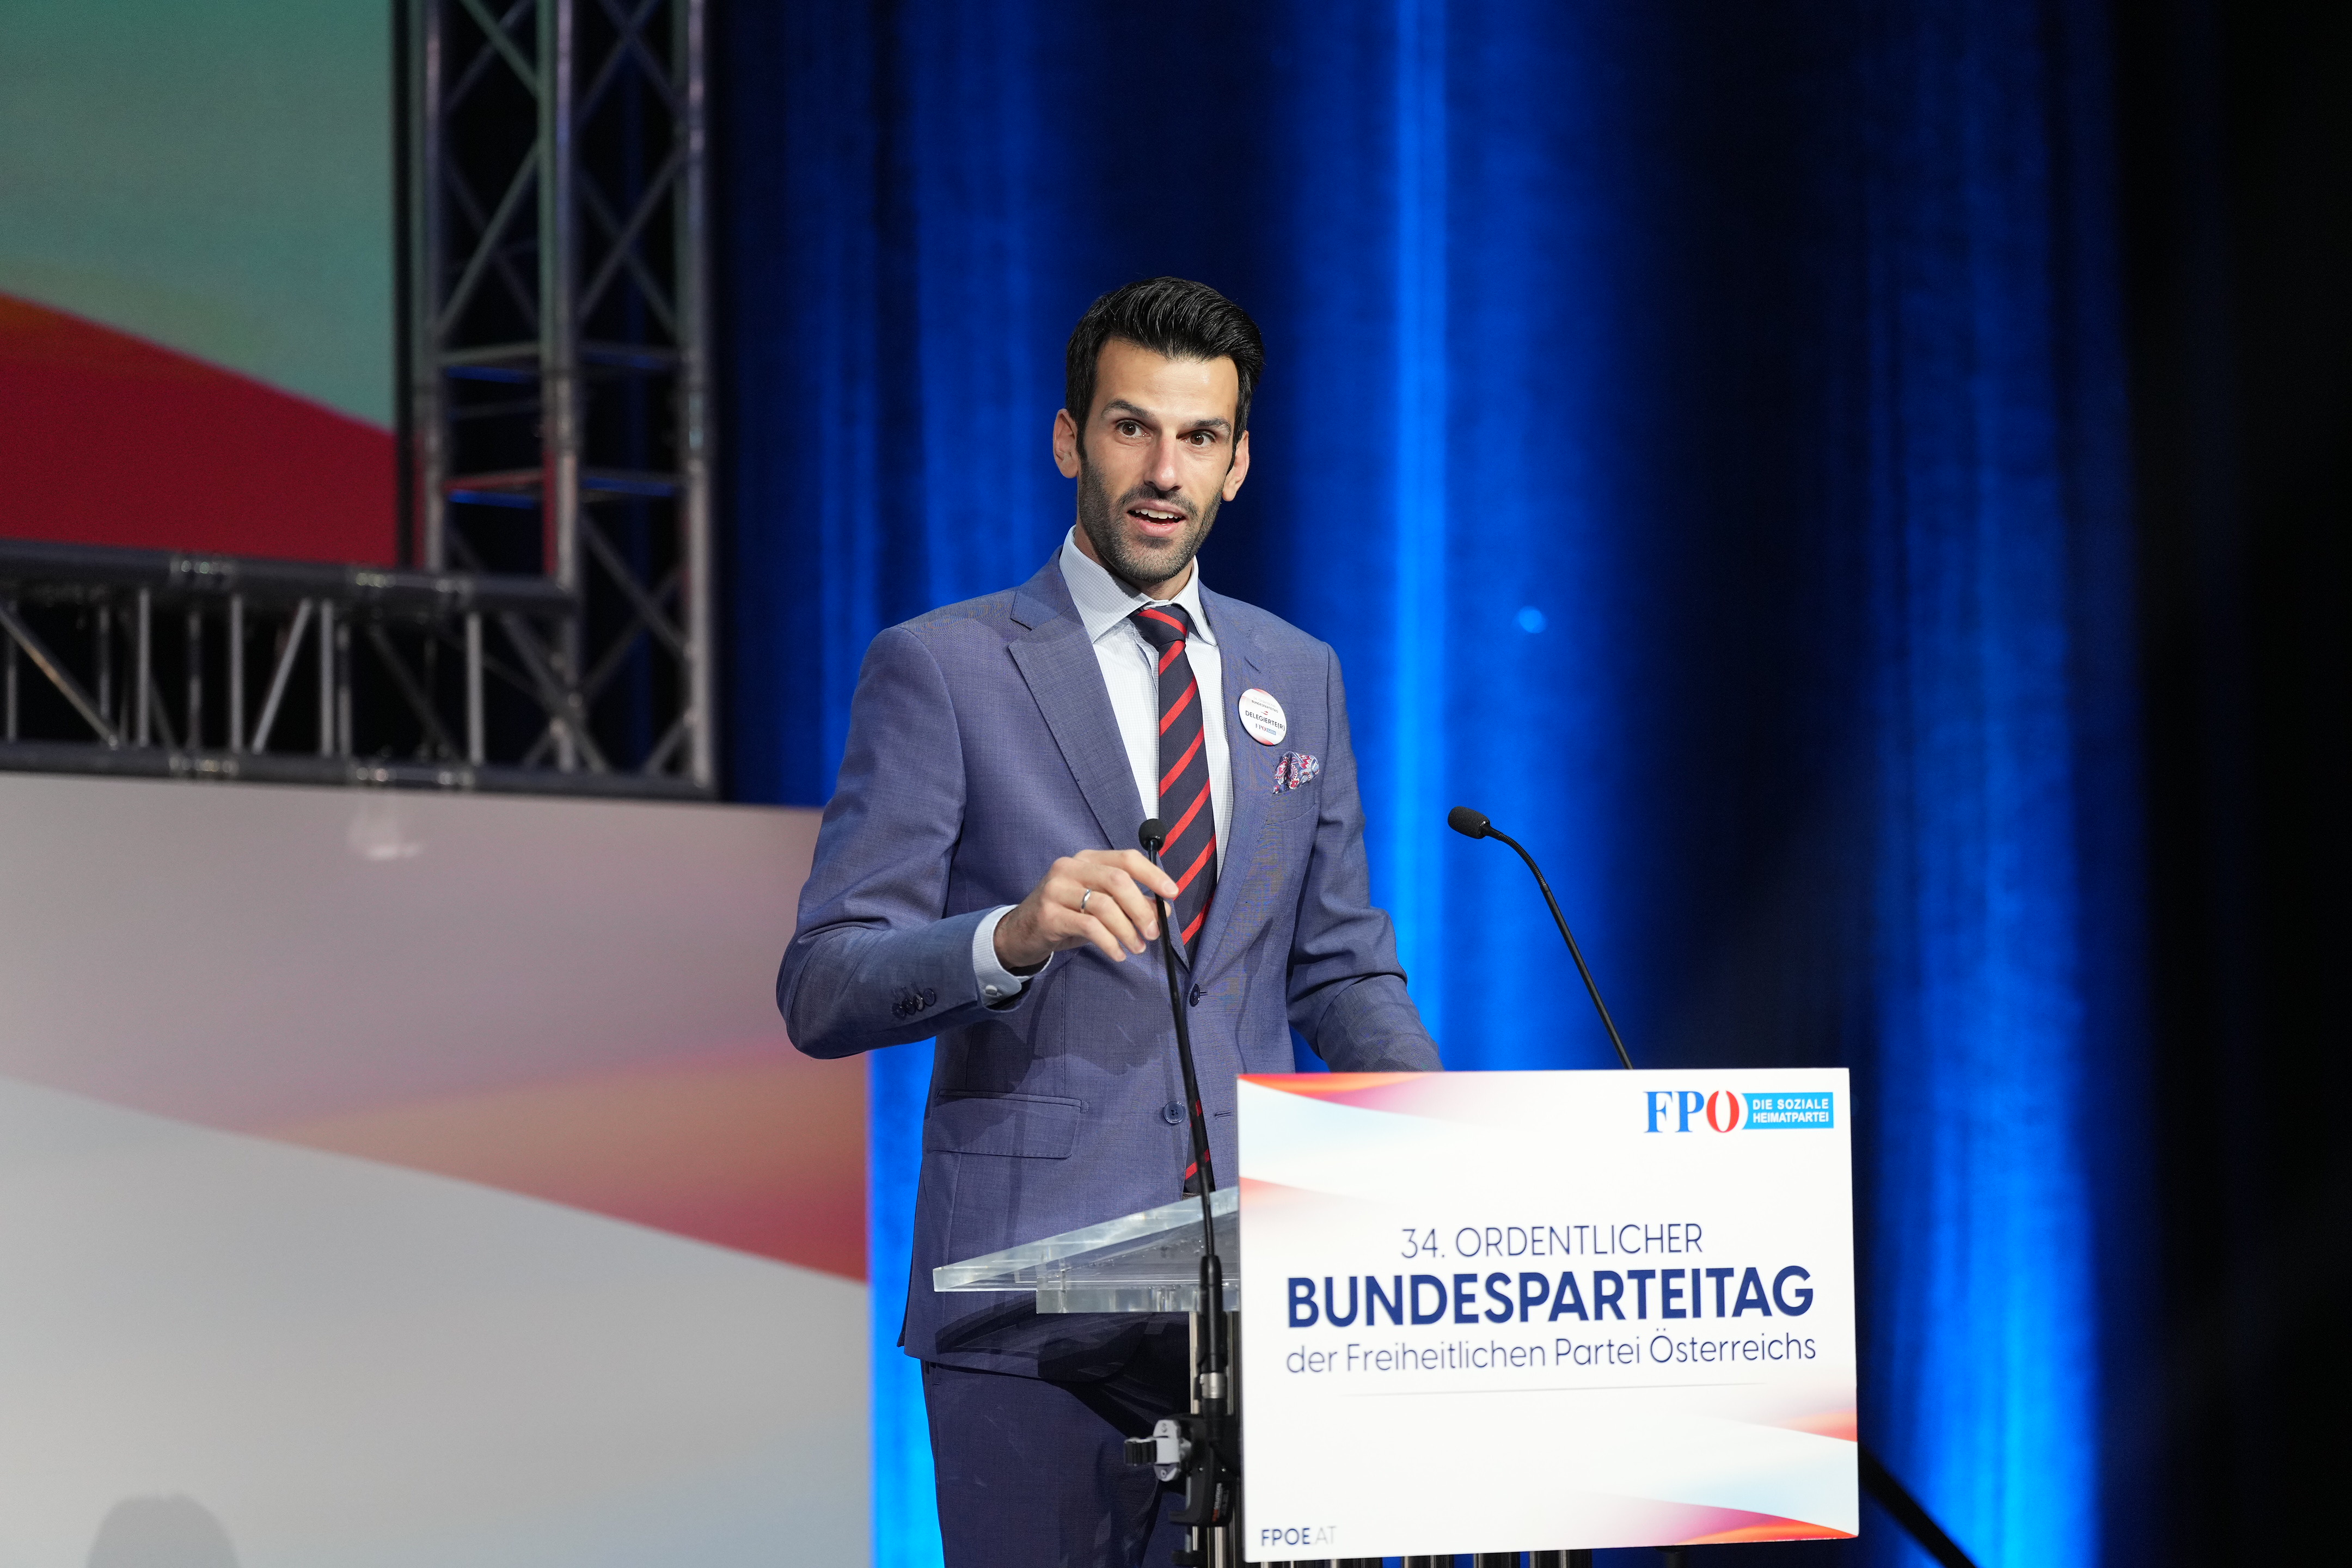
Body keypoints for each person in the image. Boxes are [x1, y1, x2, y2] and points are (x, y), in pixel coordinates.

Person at [778, 276, 1441, 1567]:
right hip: (1027, 1305)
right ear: (1069, 439)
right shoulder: (945, 667)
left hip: (1266, 1297)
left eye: (1199, 437)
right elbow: (824, 982)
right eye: (1132, 427)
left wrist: (1448, 1150)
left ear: (1238, 463)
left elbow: (1340, 967)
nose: (1163, 472)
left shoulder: (1298, 674)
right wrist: (1010, 937)